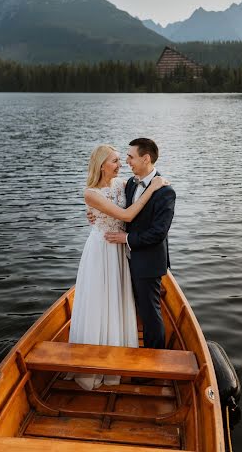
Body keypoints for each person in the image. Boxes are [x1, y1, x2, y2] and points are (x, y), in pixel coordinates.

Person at [68, 144, 169, 390]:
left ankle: (123, 351)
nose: (121, 163)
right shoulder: (91, 193)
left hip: (122, 250)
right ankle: (95, 359)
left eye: (123, 159)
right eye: (115, 160)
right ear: (102, 165)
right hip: (102, 249)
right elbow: (126, 216)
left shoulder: (123, 184)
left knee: (120, 298)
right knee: (100, 299)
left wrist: (156, 183)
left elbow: (145, 180)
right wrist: (94, 215)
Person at [105, 138, 176, 350]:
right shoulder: (130, 184)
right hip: (127, 258)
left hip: (148, 262)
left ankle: (155, 361)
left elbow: (158, 233)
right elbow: (121, 213)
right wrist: (94, 215)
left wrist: (126, 239)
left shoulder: (165, 192)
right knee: (135, 308)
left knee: (150, 313)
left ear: (146, 158)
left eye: (131, 157)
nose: (127, 161)